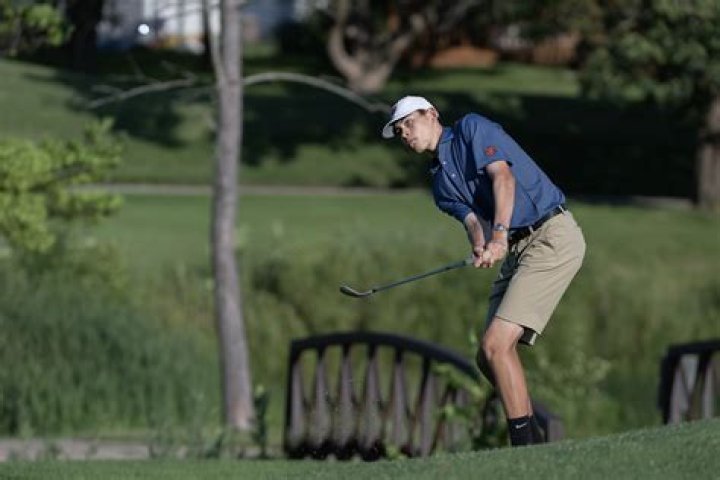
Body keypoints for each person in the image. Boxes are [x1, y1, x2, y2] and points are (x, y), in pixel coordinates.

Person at [382, 96, 586, 447]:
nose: (405, 134)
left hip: (550, 235)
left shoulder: (471, 129)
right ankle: (536, 443)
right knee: (487, 357)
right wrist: (481, 245)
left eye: (409, 124)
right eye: (399, 131)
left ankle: (523, 447)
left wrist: (500, 236)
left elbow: (503, 178)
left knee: (495, 346)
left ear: (432, 114)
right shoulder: (439, 185)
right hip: (516, 249)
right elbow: (474, 222)